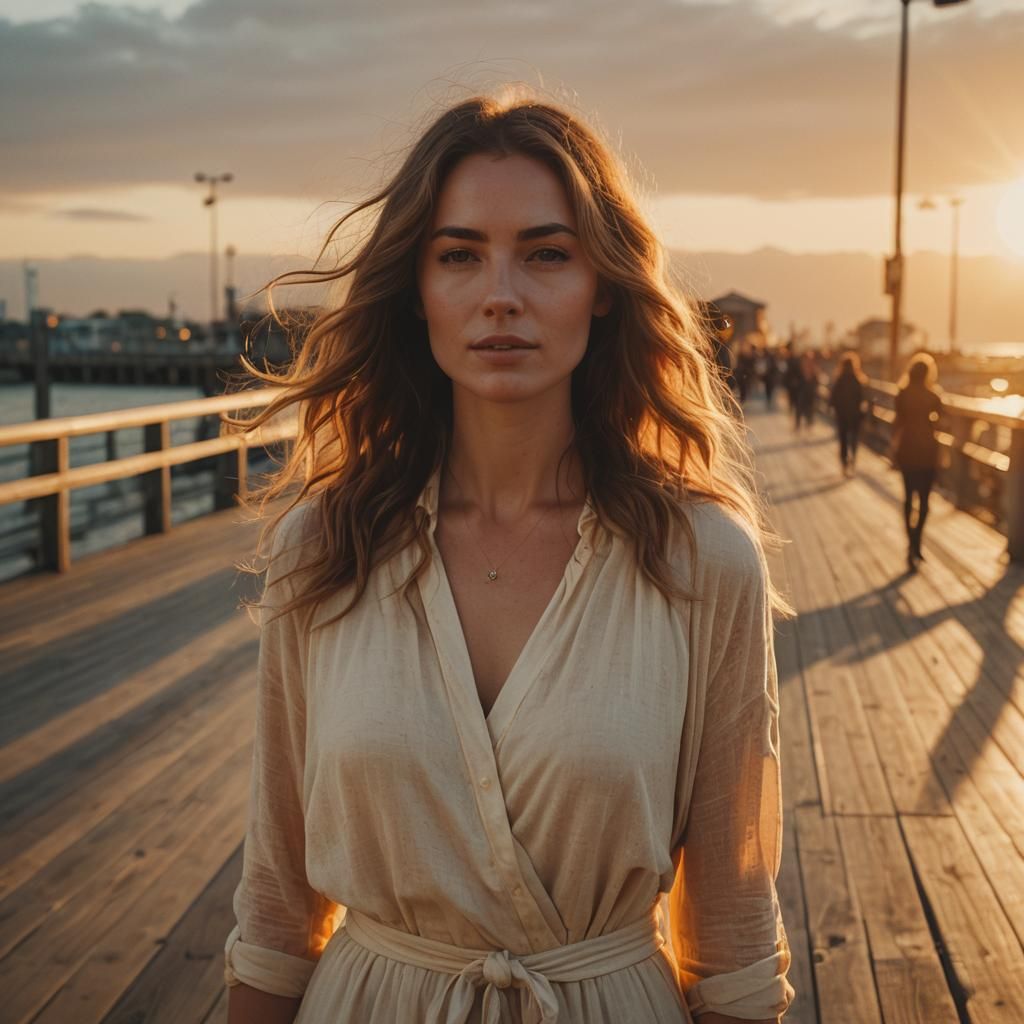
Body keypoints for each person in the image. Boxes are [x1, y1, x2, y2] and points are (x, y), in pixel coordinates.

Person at [223, 89, 795, 1024]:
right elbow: (278, 904)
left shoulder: (702, 560)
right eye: (459, 255)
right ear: (416, 289)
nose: (501, 294)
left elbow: (733, 931)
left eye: (546, 253)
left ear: (603, 285)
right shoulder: (324, 548)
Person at [892, 352, 944, 570]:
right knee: (924, 502)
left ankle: (910, 542)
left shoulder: (902, 394)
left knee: (908, 498)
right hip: (928, 452)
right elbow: (942, 420)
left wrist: (892, 449)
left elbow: (897, 423)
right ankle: (917, 541)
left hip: (907, 450)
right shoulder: (933, 396)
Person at [828, 351, 868, 476]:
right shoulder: (858, 380)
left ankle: (844, 464)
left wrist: (832, 408)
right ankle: (853, 459)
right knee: (854, 438)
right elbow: (863, 398)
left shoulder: (839, 379)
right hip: (855, 415)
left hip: (842, 414)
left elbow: (833, 397)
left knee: (843, 439)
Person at [793, 350, 819, 433]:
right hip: (801, 391)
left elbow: (816, 380)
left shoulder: (814, 367)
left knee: (810, 409)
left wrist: (815, 387)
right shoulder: (798, 367)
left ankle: (809, 425)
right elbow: (794, 378)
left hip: (810, 391)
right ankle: (797, 425)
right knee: (799, 408)